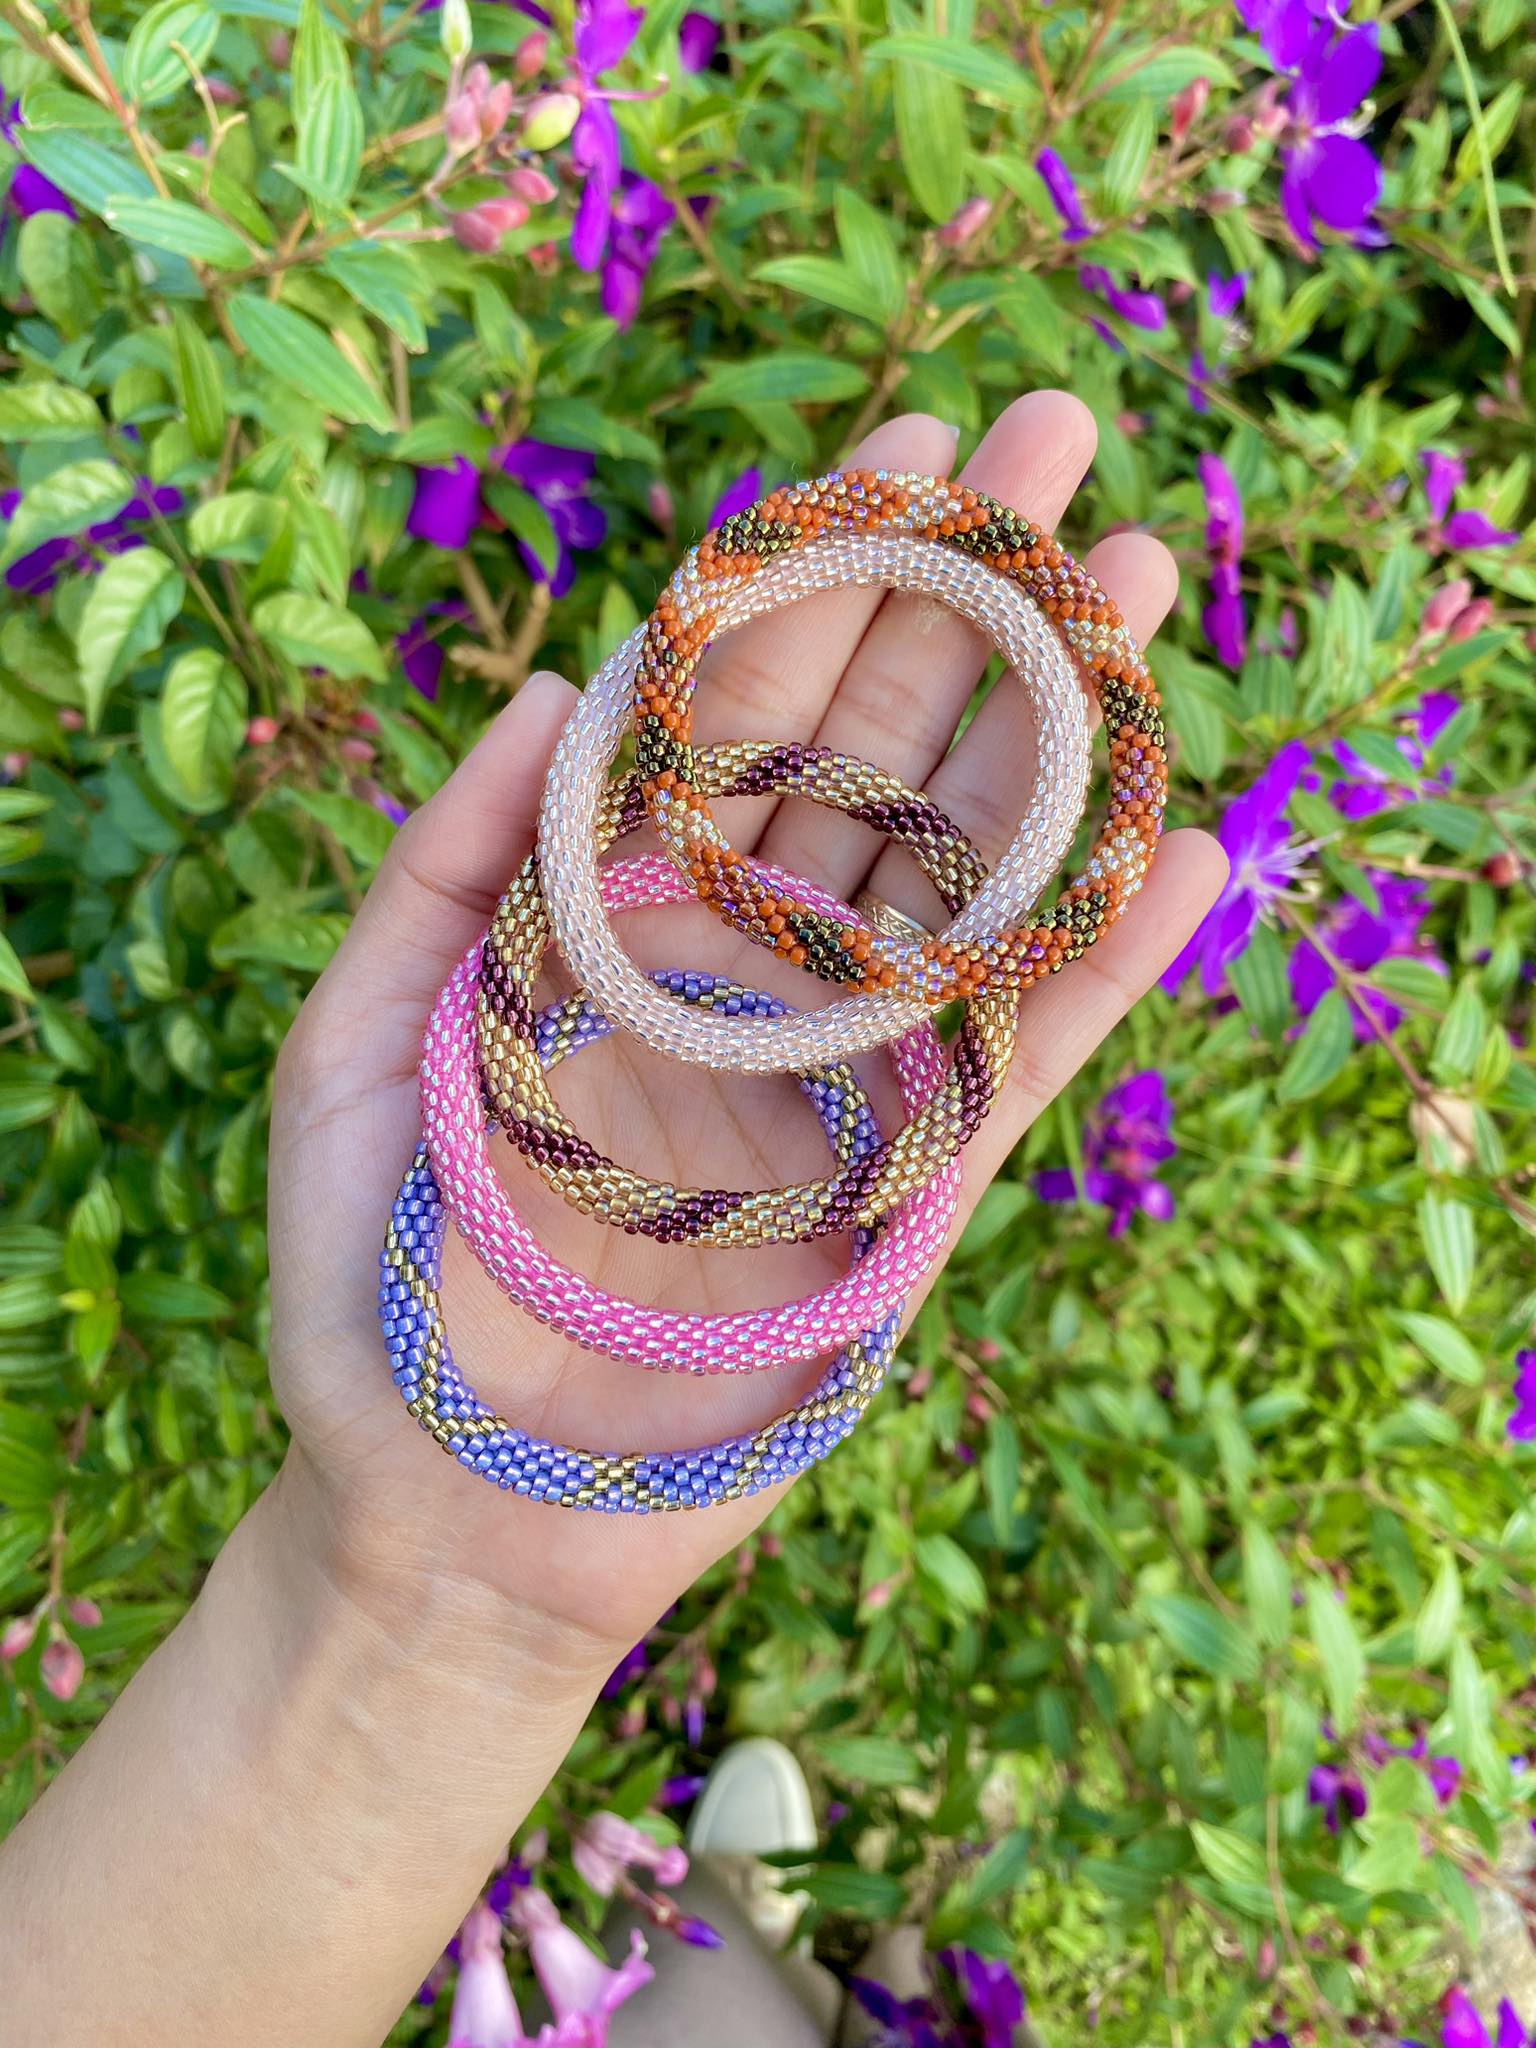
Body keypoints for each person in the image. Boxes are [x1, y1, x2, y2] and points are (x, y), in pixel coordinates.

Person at [0, 391, 1224, 2045]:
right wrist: (407, 1593)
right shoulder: (547, 1015)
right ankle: (740, 1942)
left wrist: (410, 1613)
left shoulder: (874, 1032)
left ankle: (732, 1943)